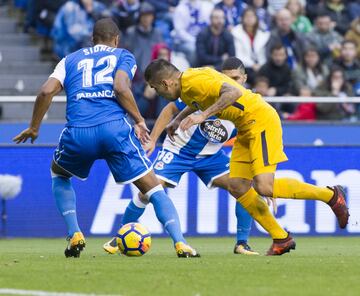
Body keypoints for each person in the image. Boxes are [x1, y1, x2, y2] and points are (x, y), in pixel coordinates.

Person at [13, 18, 198, 258]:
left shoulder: (70, 59)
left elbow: (46, 91)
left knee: (59, 174)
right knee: (153, 188)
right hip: (114, 130)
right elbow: (121, 87)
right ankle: (180, 243)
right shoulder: (123, 55)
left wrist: (34, 127)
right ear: (116, 39)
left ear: (92, 39)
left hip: (78, 131)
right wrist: (140, 121)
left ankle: (74, 233)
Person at [143, 59, 350, 256]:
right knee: (238, 186)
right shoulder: (187, 83)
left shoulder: (195, 80)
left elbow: (232, 91)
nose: (157, 93)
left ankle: (330, 195)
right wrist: (177, 120)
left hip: (260, 121)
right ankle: (281, 237)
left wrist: (203, 116)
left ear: (165, 82)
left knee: (265, 187)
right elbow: (198, 101)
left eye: (155, 87)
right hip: (244, 127)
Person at [104, 57, 259, 256]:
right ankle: (121, 237)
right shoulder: (210, 89)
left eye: (236, 78)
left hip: (211, 157)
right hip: (178, 150)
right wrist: (152, 139)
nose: (231, 82)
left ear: (245, 78)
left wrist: (261, 173)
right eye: (227, 78)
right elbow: (170, 108)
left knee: (244, 187)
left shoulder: (250, 106)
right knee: (148, 190)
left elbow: (252, 138)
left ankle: (242, 244)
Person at [231, 7, 270, 86]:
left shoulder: (262, 34)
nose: (249, 19)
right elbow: (238, 54)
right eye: (247, 16)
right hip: (244, 66)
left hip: (260, 66)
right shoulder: (236, 32)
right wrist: (252, 65)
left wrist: (260, 65)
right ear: (242, 18)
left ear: (256, 18)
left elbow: (263, 54)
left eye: (252, 16)